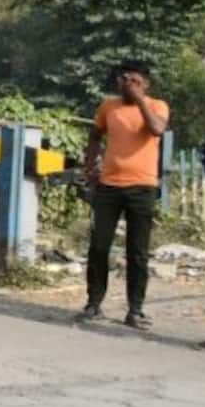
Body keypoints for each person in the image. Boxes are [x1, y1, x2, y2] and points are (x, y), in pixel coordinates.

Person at [83, 60, 169, 330]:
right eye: (123, 79)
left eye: (134, 80)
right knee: (98, 246)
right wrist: (90, 165)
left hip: (142, 187)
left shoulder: (156, 106)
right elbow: (95, 136)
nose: (127, 84)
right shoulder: (108, 106)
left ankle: (135, 310)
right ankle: (93, 304)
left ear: (146, 83)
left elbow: (157, 129)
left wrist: (140, 100)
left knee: (137, 252)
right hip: (109, 186)